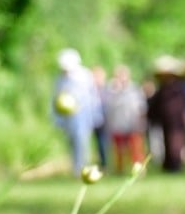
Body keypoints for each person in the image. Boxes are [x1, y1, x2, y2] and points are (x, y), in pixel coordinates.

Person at [51, 48, 103, 177]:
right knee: (71, 143)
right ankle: (75, 168)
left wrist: (96, 114)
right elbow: (56, 99)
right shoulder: (60, 79)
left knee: (82, 142)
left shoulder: (84, 75)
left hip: (83, 116)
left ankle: (83, 169)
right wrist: (57, 119)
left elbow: (92, 97)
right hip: (67, 118)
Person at [146, 56, 185, 172]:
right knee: (167, 143)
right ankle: (169, 165)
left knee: (175, 144)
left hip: (177, 122)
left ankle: (175, 165)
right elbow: (156, 106)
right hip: (166, 122)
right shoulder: (162, 89)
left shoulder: (178, 88)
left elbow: (183, 105)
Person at [104, 64, 146, 173]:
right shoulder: (110, 90)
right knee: (119, 151)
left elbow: (141, 107)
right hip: (117, 126)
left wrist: (140, 122)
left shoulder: (134, 89)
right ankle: (119, 170)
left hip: (133, 125)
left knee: (136, 150)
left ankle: (139, 169)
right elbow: (108, 107)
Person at [91, 65, 110, 170]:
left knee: (103, 144)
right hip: (92, 121)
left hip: (105, 121)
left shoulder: (108, 89)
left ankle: (105, 165)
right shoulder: (89, 90)